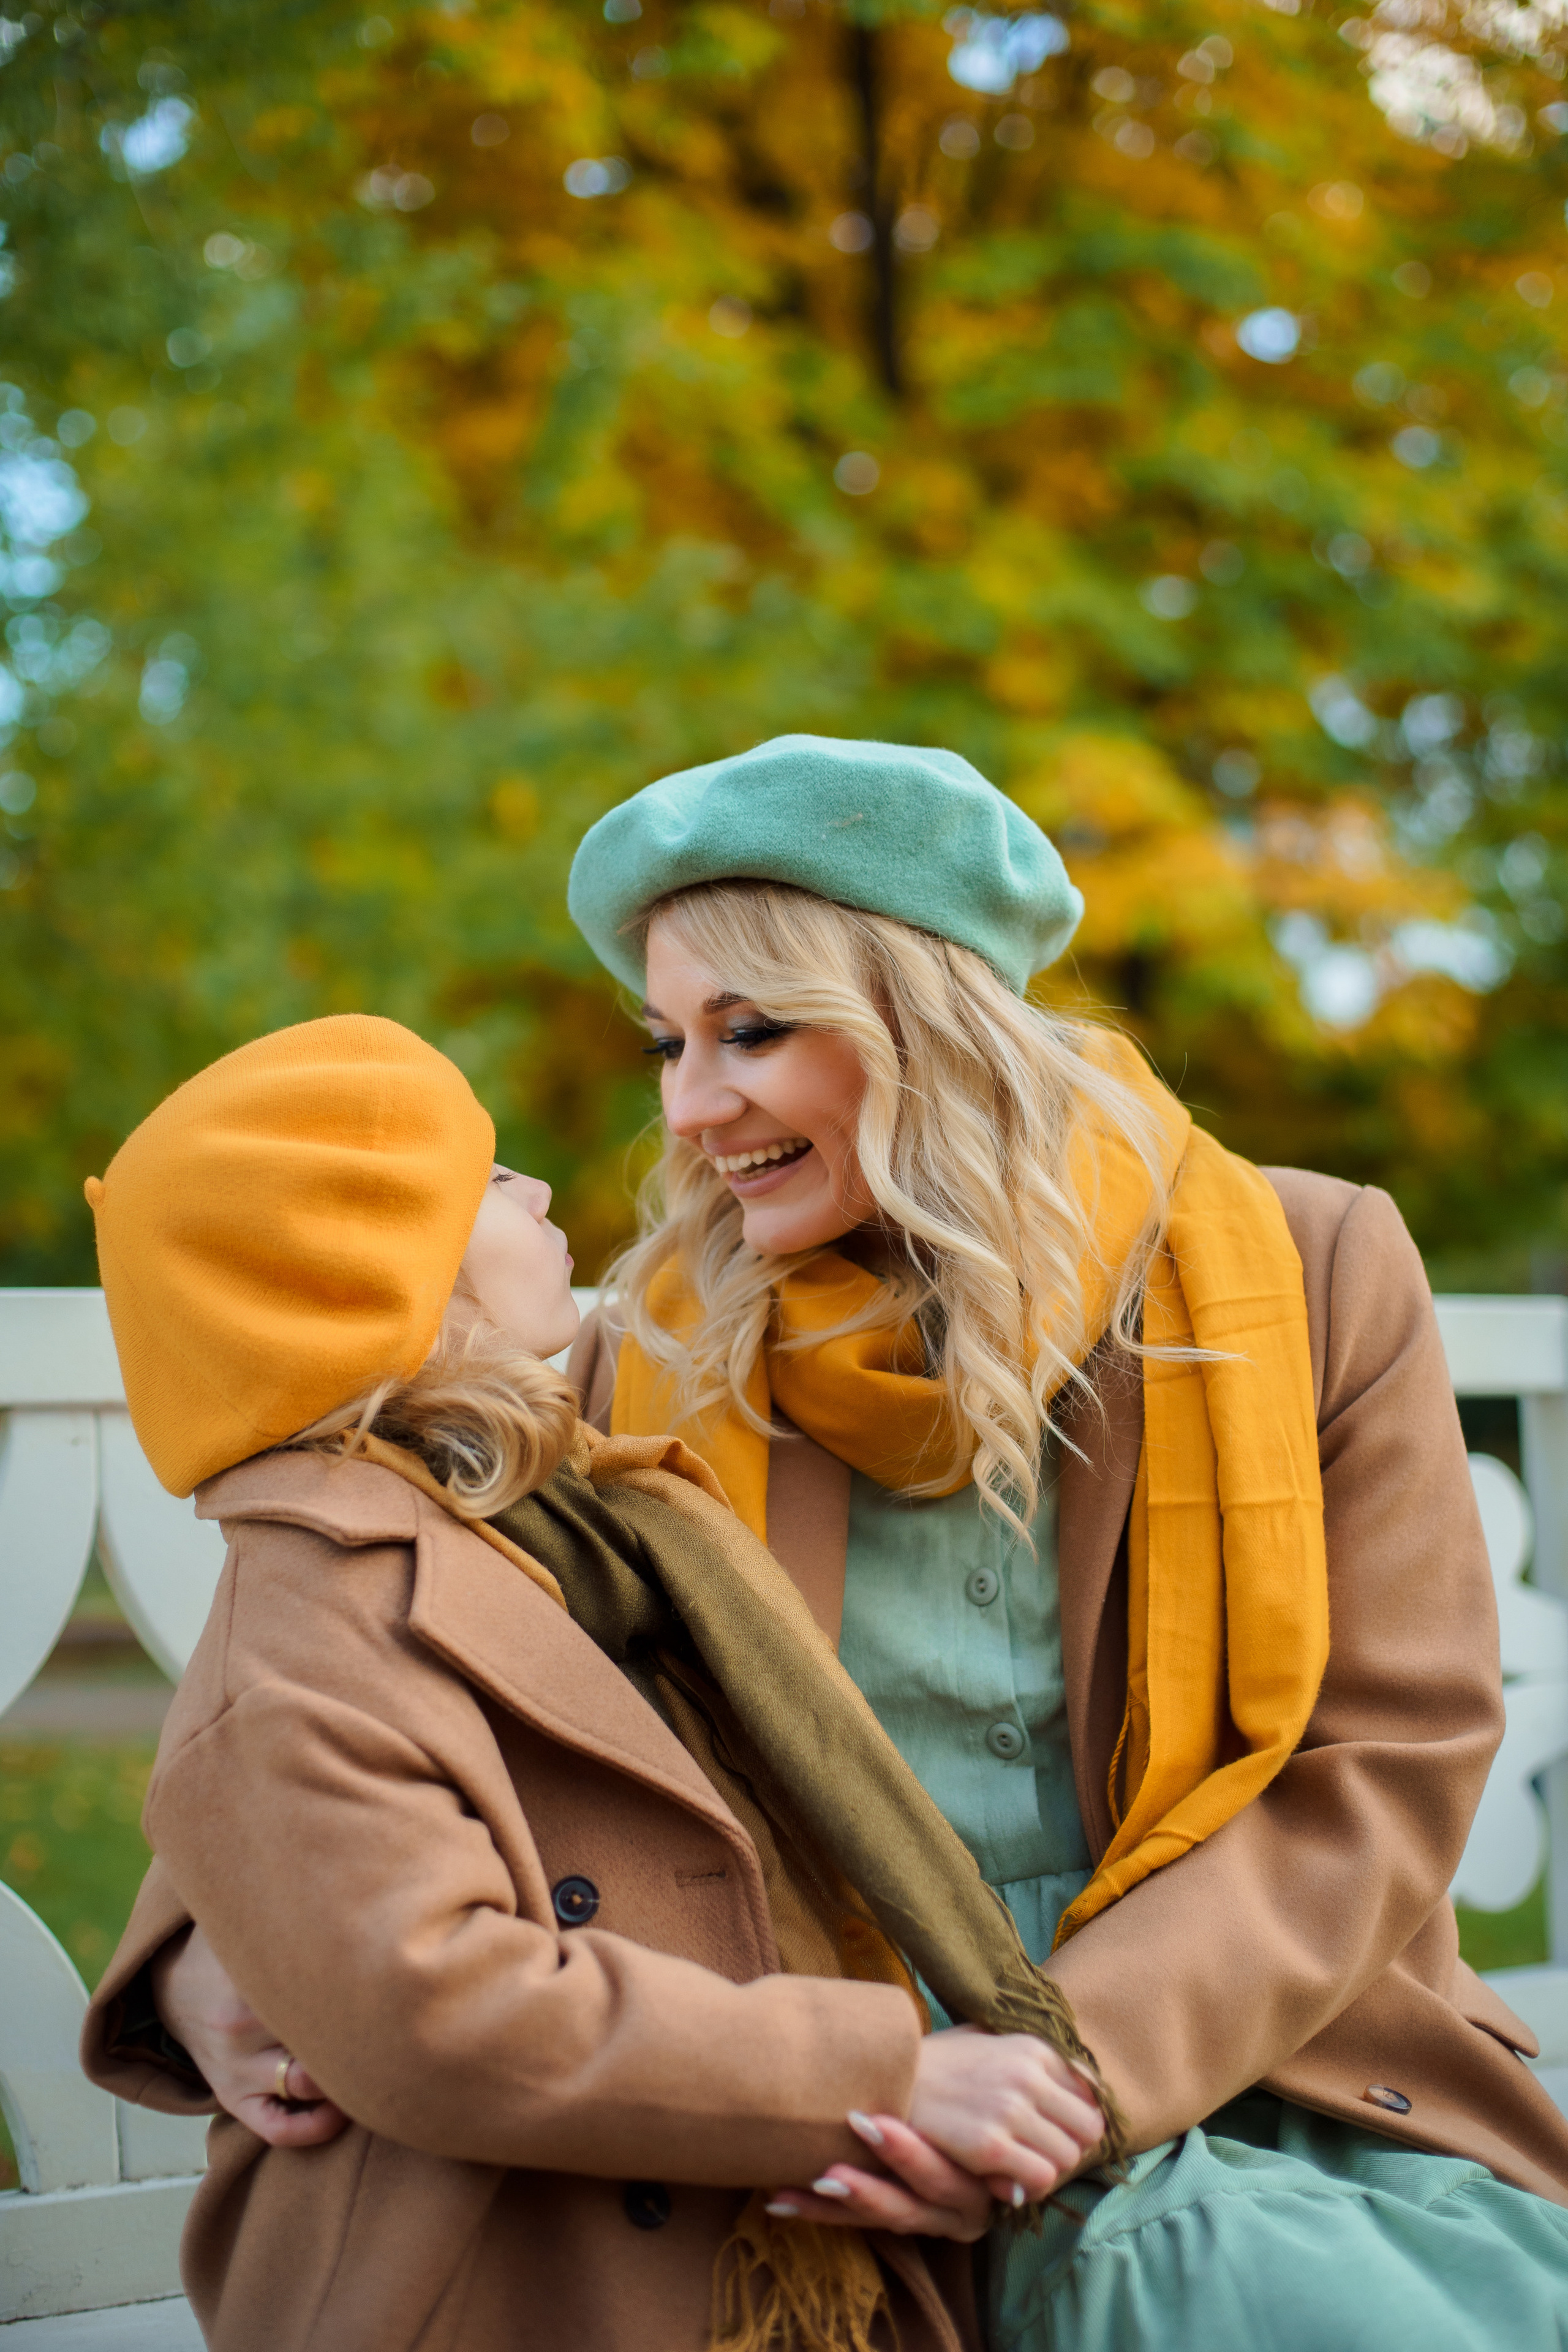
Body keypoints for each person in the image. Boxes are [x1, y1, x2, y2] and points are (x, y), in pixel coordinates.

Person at [556, 734, 1568, 2348]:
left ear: (924, 1020)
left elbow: (1389, 1759)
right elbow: (393, 1653)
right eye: (669, 1042)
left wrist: (1063, 2071)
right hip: (838, 2066)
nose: (690, 1105)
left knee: (1213, 2278)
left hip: (1257, 2041)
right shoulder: (647, 1352)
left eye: (752, 1030)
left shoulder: (1313, 1267)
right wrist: (211, 1966)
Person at [80, 1011, 1113, 2352]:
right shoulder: (340, 1597)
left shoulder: (556, 1505)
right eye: (486, 1176)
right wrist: (878, 2077)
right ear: (370, 1271)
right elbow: (420, 1986)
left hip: (752, 2236)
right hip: (496, 2284)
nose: (538, 1191)